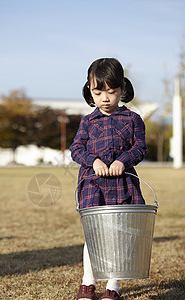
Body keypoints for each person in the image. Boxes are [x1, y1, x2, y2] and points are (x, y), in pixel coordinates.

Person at [70, 58, 147, 300]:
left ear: (123, 89)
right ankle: (87, 283)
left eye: (112, 92)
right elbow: (76, 149)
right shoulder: (87, 121)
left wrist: (122, 161)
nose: (105, 98)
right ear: (89, 90)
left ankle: (113, 286)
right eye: (98, 91)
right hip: (93, 185)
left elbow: (141, 148)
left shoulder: (133, 120)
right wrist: (93, 161)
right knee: (93, 235)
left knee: (119, 235)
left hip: (123, 185)